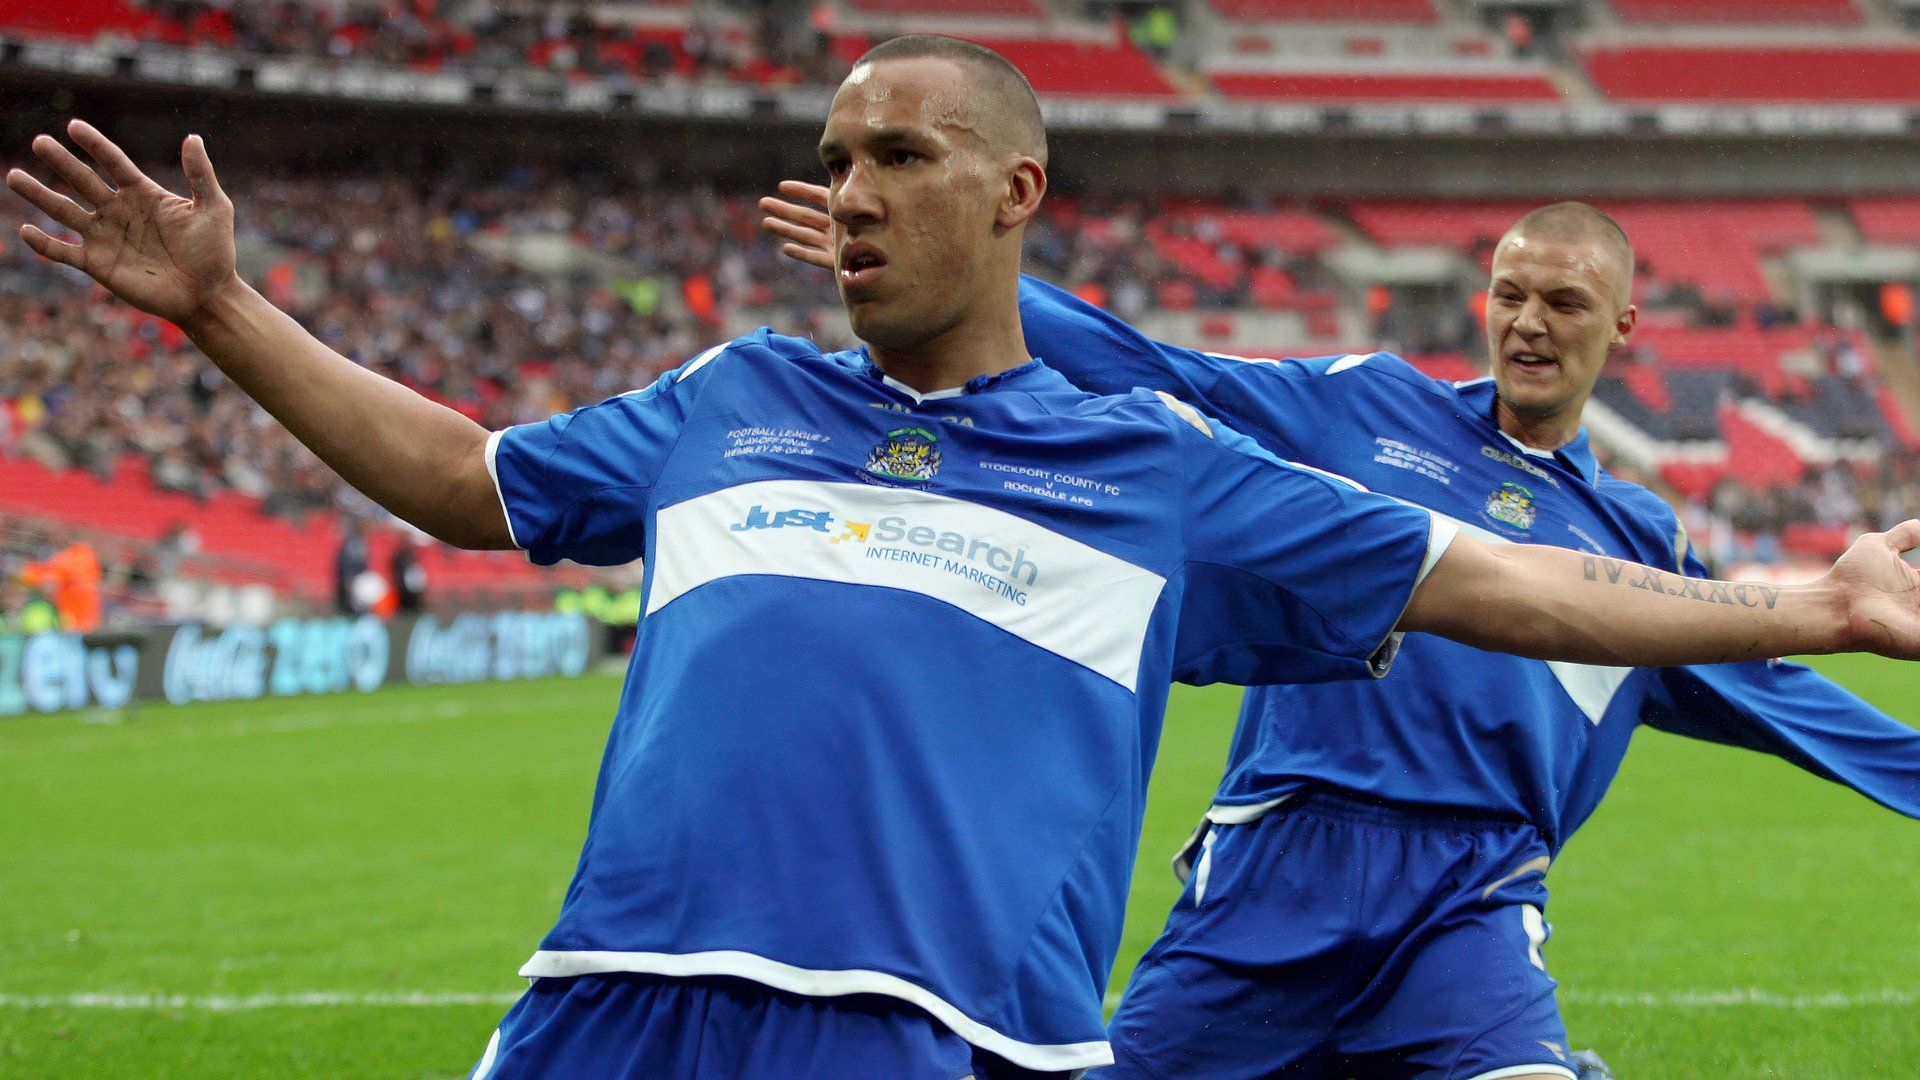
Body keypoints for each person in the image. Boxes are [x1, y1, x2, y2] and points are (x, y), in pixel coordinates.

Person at [13, 38, 1920, 1080]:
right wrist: (224, 313)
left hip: (959, 1039)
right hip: (611, 1004)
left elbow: (1507, 589)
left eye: (901, 159)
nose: (847, 196)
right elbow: (458, 476)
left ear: (1013, 196)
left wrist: (1810, 603)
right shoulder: (730, 391)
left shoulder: (1158, 471)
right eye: (836, 158)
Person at [763, 190, 1920, 1078]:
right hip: (1276, 866)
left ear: (1619, 324)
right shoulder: (1367, 403)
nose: (1528, 322)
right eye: (1510, 294)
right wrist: (958, 276)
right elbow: (1156, 370)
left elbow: (1773, 692)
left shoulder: (1634, 534)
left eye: (1563, 303)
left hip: (1468, 897)